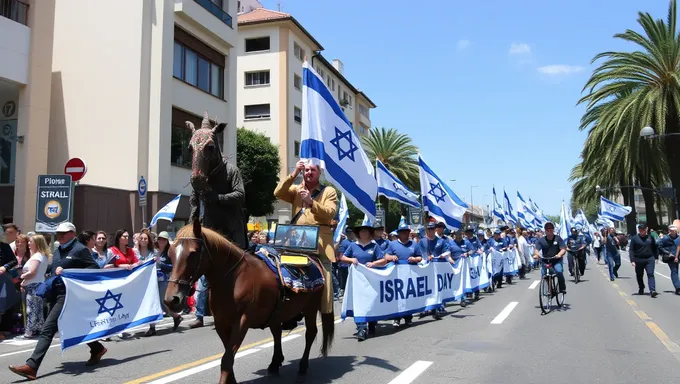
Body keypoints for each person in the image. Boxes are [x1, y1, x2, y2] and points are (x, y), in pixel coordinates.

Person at [9, 222, 105, 381]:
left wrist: (68, 272)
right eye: (59, 232)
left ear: (73, 234)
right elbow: (53, 269)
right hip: (55, 293)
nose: (61, 235)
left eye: (65, 232)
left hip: (69, 295)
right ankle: (97, 348)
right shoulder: (58, 249)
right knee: (74, 325)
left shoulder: (80, 249)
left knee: (48, 328)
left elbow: (94, 270)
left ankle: (31, 366)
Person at [274, 160, 338, 330]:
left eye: (313, 170)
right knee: (281, 271)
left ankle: (326, 311)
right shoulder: (296, 189)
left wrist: (311, 202)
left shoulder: (328, 191)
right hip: (295, 242)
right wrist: (294, 173)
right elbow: (278, 192)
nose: (309, 172)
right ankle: (287, 311)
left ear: (319, 172)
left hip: (320, 244)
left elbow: (329, 214)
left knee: (325, 276)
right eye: (306, 169)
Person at [340, 221, 382, 341]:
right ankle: (361, 328)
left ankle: (372, 323)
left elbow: (383, 260)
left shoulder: (374, 246)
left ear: (370, 233)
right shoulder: (353, 245)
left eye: (366, 231)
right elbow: (342, 257)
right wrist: (351, 259)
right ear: (358, 233)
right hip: (357, 281)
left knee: (371, 302)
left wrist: (374, 263)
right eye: (361, 231)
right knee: (359, 304)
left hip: (371, 281)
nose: (363, 233)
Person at [378, 221, 423, 327]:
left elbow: (420, 257)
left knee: (409, 296)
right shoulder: (392, 244)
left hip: (410, 275)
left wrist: (414, 258)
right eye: (402, 232)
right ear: (399, 233)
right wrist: (391, 257)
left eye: (406, 232)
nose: (404, 234)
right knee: (397, 297)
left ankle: (408, 317)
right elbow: (386, 256)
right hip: (396, 276)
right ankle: (396, 318)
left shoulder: (414, 244)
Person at [533, 222, 567, 294]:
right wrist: (537, 255)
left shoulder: (558, 238)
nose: (549, 231)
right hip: (545, 260)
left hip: (556, 260)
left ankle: (562, 288)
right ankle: (550, 290)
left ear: (553, 230)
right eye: (547, 230)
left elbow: (563, 248)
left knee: (559, 271)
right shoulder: (541, 240)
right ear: (545, 231)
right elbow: (536, 249)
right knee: (544, 275)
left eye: (551, 230)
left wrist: (559, 254)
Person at [629, 223, 659, 298]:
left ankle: (652, 290)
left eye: (643, 229)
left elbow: (655, 248)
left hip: (649, 259)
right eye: (640, 229)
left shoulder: (650, 237)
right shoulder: (634, 238)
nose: (642, 231)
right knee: (639, 275)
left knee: (650, 274)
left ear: (646, 229)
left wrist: (656, 257)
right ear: (638, 230)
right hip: (638, 259)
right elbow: (631, 250)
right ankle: (641, 287)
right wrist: (632, 260)